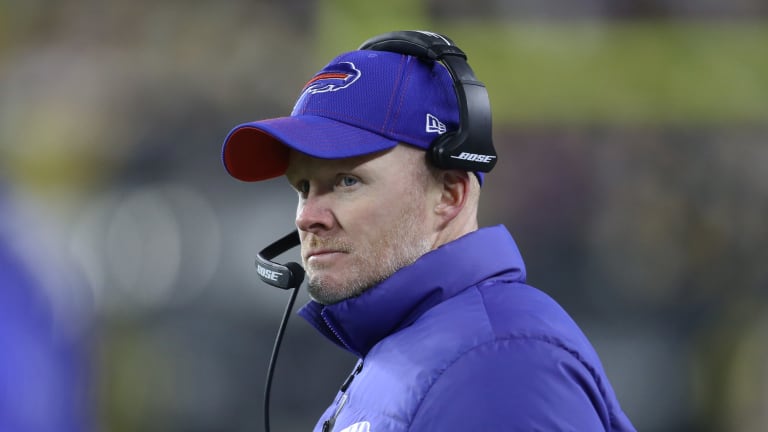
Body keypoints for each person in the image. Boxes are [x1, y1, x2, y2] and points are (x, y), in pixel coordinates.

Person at [221, 31, 636, 431]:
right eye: (303, 187)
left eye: (347, 181)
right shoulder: (421, 350)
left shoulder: (497, 365)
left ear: (449, 194)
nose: (307, 216)